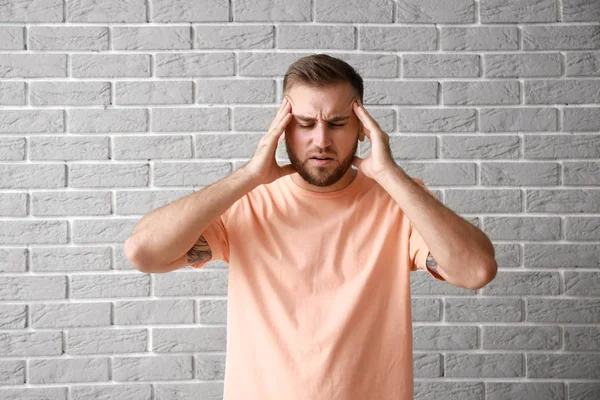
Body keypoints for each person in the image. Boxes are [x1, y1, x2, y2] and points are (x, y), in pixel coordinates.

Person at [124, 54, 497, 399]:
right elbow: (143, 252)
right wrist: (249, 175)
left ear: (363, 129)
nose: (321, 140)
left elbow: (476, 269)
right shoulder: (246, 203)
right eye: (304, 124)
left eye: (337, 123)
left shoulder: (399, 203)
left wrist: (391, 175)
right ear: (283, 129)